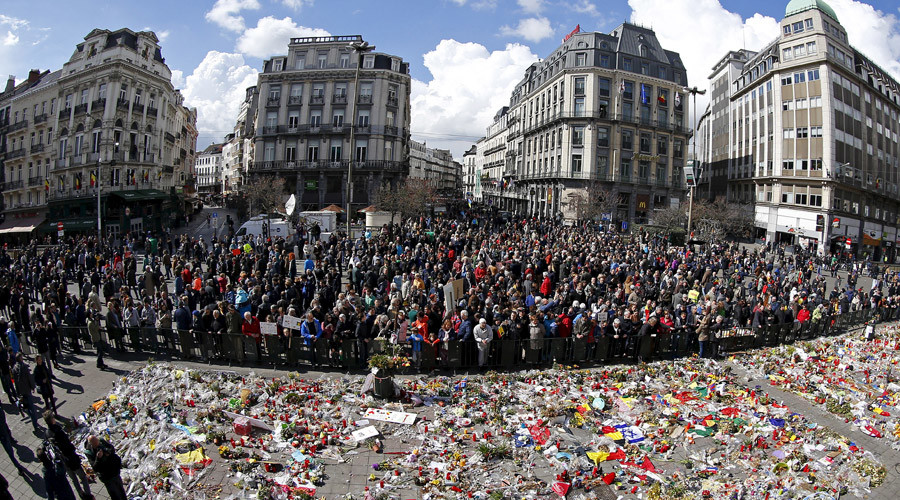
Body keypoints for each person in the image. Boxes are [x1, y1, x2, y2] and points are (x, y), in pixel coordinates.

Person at [44, 411, 93, 500]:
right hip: (71, 458)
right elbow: (67, 444)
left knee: (74, 479)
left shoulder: (47, 433)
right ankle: (88, 495)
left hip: (62, 460)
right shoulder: (58, 431)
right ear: (52, 420)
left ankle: (81, 494)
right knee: (82, 477)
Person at [84, 435, 126, 500]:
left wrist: (108, 453)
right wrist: (98, 458)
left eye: (97, 442)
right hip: (107, 477)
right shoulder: (89, 452)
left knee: (121, 491)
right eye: (95, 444)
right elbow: (95, 468)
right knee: (115, 495)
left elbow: (111, 448)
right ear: (91, 444)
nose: (98, 445)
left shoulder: (101, 442)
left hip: (115, 472)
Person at [11, 352, 40, 432]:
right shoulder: (24, 367)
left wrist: (17, 392)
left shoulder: (14, 369)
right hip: (27, 390)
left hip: (21, 391)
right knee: (32, 408)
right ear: (20, 358)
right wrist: (33, 387)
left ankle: (31, 417)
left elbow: (15, 383)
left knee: (26, 406)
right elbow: (29, 378)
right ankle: (35, 425)